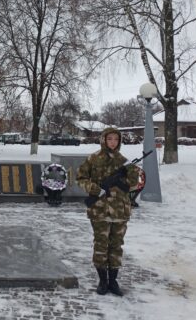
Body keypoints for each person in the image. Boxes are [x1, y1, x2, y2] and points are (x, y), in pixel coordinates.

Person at [76, 127, 139, 296]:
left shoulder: (124, 162)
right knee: (101, 245)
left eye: (116, 139)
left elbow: (134, 183)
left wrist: (124, 181)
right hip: (100, 210)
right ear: (103, 140)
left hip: (120, 210)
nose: (113, 142)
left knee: (116, 246)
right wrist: (95, 188)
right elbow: (80, 177)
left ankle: (113, 281)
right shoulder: (93, 159)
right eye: (109, 139)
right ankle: (103, 281)